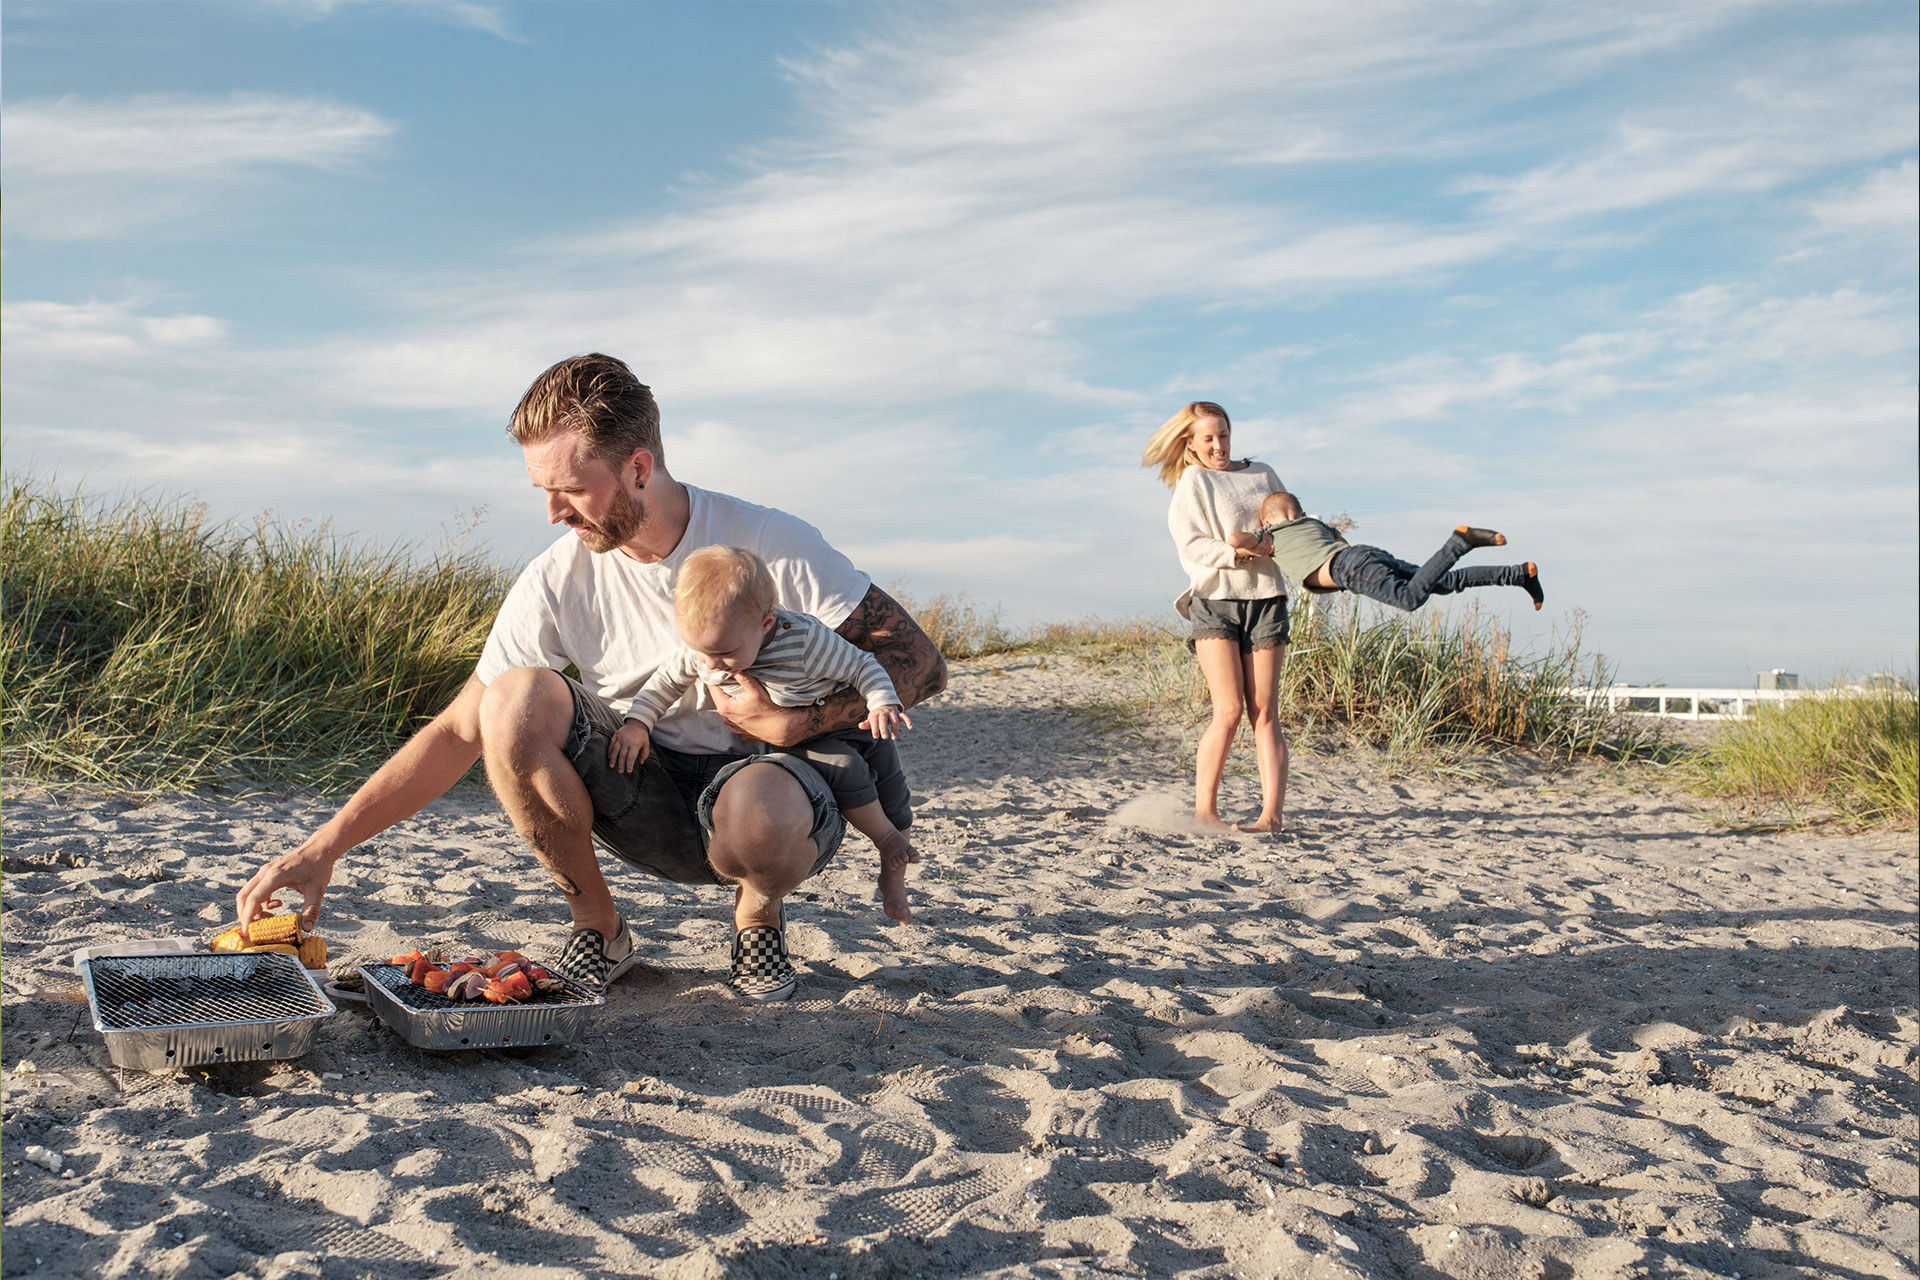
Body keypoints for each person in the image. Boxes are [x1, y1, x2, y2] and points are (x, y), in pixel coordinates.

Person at [233, 353, 947, 1002]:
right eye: (542, 490)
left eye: (570, 489)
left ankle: (757, 918)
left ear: (639, 467)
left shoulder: (770, 544)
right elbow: (458, 730)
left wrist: (797, 726)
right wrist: (321, 848)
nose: (552, 512)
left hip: (774, 800)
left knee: (761, 806)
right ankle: (599, 930)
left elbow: (920, 663)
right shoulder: (557, 577)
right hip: (649, 796)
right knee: (512, 700)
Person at [610, 545, 920, 925]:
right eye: (699, 651)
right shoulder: (704, 649)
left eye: (724, 653)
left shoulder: (806, 641)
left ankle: (895, 868)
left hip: (832, 718)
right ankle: (885, 839)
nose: (709, 664)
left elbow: (862, 666)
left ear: (766, 622)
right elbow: (664, 683)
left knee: (889, 768)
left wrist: (882, 703)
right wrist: (638, 723)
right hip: (793, 744)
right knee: (845, 765)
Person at [1141, 401, 1289, 834]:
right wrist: (1236, 552)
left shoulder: (1262, 473)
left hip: (1267, 598)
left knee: (1265, 711)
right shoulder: (1193, 480)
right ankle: (1206, 813)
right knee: (1227, 710)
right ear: (1191, 443)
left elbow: (1287, 521)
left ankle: (1271, 817)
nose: (1218, 444)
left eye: (1222, 435)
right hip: (1214, 600)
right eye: (1207, 438)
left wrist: (1277, 542)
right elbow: (1191, 546)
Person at [1231, 491, 1544, 612]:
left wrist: (1257, 544)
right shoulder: (1315, 524)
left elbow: (1235, 539)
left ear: (1269, 519)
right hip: (1364, 554)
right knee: (1442, 582)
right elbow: (1338, 541)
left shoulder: (1269, 532)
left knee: (1408, 599)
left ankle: (1459, 543)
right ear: (1298, 513)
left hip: (1348, 568)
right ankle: (1517, 575)